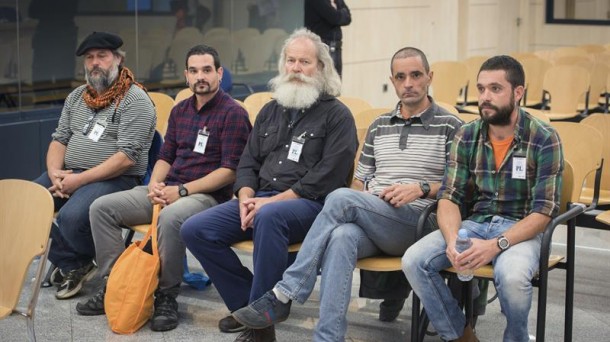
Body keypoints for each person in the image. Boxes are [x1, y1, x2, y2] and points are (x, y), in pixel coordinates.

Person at [232, 47, 464, 341]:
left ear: (429, 77)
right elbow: (359, 183)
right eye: (401, 77)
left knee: (339, 198)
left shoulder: (452, 126)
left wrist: (421, 187)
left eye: (416, 75)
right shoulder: (379, 126)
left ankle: (286, 291)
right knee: (342, 236)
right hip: (377, 218)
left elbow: (463, 188)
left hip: (422, 221)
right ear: (392, 81)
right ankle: (328, 337)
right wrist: (364, 202)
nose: (409, 83)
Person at [180, 28, 357, 342]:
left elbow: (330, 175)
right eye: (291, 61)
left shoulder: (337, 116)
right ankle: (249, 306)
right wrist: (247, 196)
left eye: (305, 62)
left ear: (321, 68)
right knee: (194, 229)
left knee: (268, 216)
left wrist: (270, 203)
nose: (296, 68)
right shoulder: (270, 111)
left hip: (311, 206)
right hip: (260, 200)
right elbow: (247, 163)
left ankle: (260, 330)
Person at [74, 44, 252, 331]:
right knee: (102, 208)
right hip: (168, 188)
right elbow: (166, 156)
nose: (200, 77)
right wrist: (156, 185)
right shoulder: (181, 110)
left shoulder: (233, 113)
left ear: (219, 73)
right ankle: (115, 284)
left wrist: (181, 191)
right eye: (194, 71)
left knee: (171, 217)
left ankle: (166, 295)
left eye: (207, 70)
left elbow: (229, 171)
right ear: (186, 75)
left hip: (207, 197)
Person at [403, 55, 564, 342]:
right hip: (475, 224)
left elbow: (544, 212)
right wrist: (453, 241)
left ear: (518, 92)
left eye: (495, 89)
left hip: (521, 229)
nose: (485, 97)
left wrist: (495, 245)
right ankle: (460, 335)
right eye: (481, 89)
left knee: (512, 278)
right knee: (414, 260)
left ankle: (516, 338)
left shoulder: (543, 137)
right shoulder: (466, 135)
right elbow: (449, 197)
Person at [33, 31, 156, 299]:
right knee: (28, 204)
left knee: (72, 217)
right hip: (71, 172)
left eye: (102, 56)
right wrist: (55, 173)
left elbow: (127, 157)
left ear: (118, 59)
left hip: (117, 178)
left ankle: (74, 263)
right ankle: (74, 263)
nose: (95, 63)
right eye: (90, 58)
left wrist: (80, 180)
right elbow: (59, 139)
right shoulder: (77, 97)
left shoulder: (135, 100)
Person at [304, 0, 351, 77]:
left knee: (335, 84)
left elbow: (348, 17)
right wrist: (340, 11)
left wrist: (338, 12)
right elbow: (335, 18)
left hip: (335, 47)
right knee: (323, 83)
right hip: (322, 47)